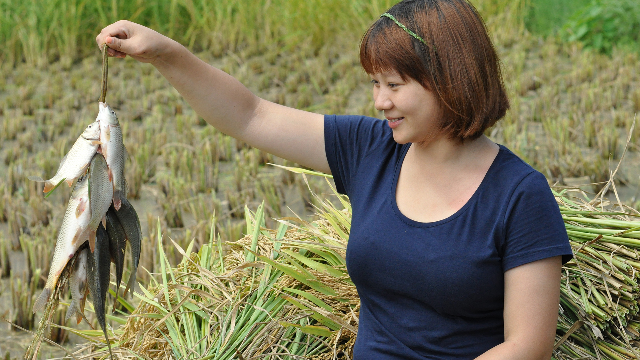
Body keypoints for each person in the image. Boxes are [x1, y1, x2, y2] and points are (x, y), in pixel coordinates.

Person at [96, 0, 573, 358]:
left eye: (394, 85)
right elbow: (250, 115)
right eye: (375, 83)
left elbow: (529, 344)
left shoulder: (519, 194)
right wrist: (165, 53)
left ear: (451, 80)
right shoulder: (371, 149)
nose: (379, 102)